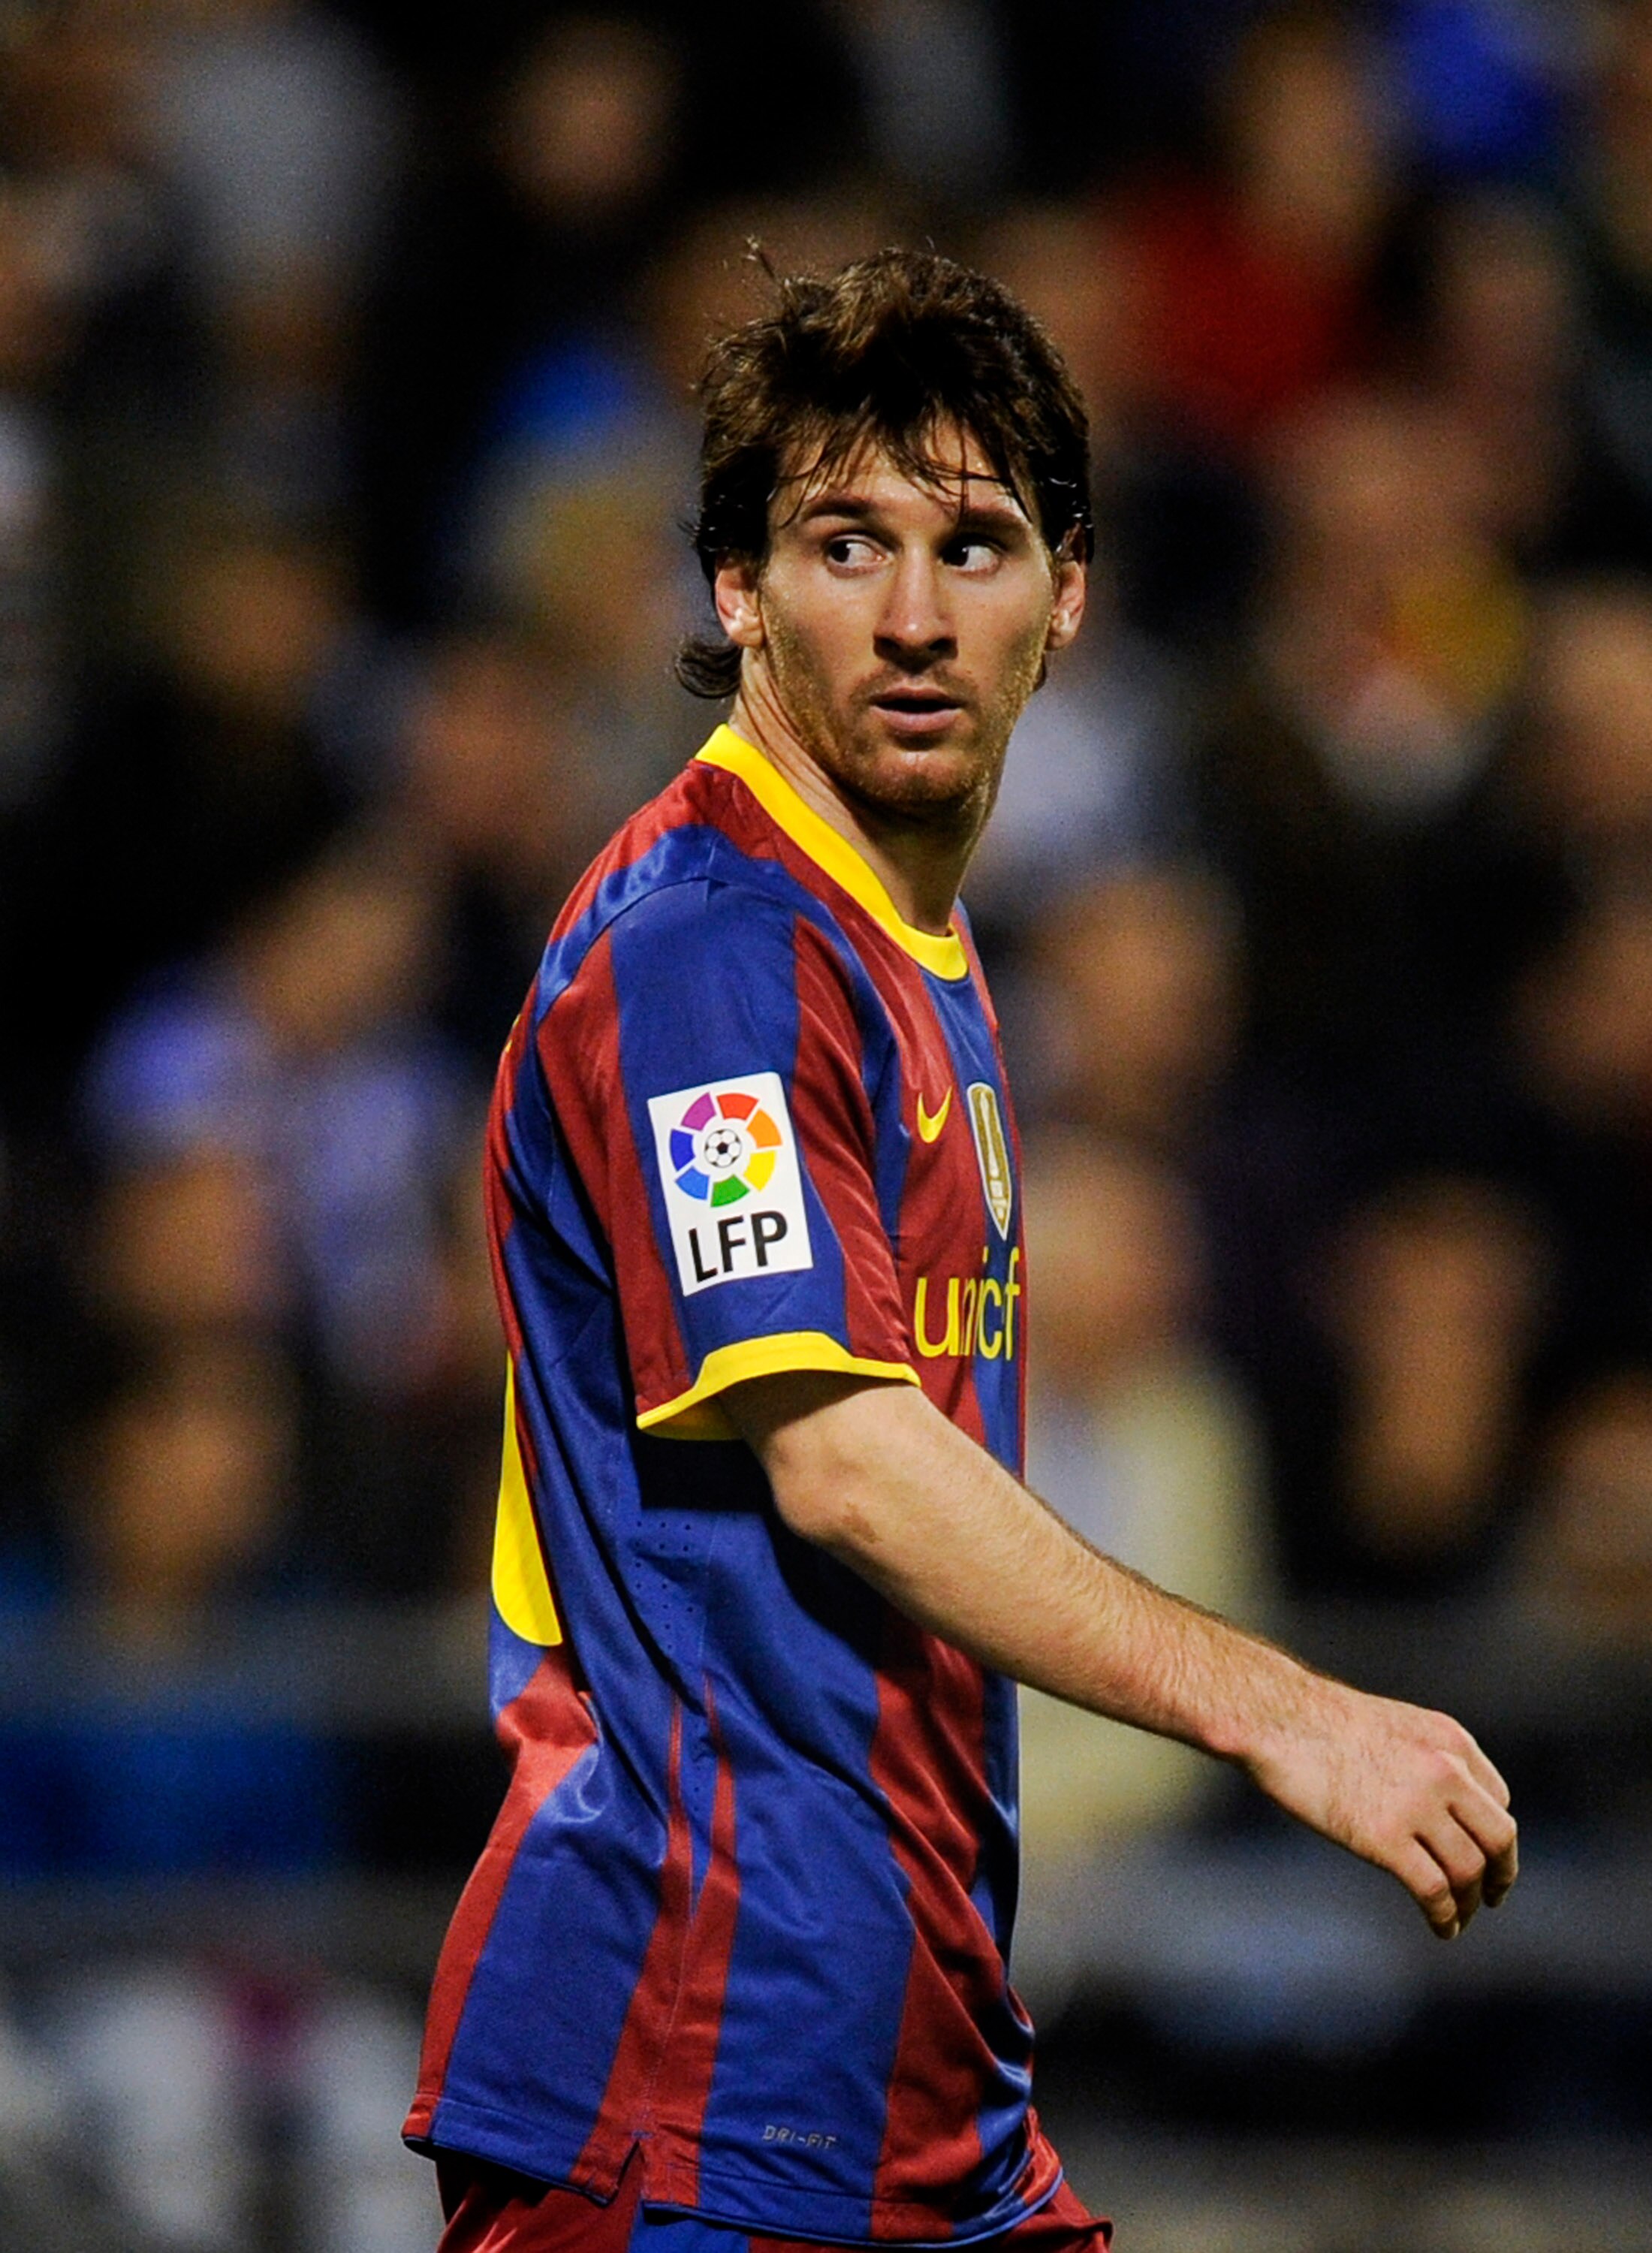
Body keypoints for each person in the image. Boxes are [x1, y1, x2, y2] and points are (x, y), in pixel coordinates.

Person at [404, 249, 1518, 2253]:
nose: (917, 615)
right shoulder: (709, 949)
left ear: (1067, 596)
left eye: (976, 544)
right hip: (693, 2094)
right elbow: (834, 1448)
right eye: (846, 544)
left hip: (907, 2081)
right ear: (737, 588)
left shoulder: (906, 942)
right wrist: (1286, 1707)